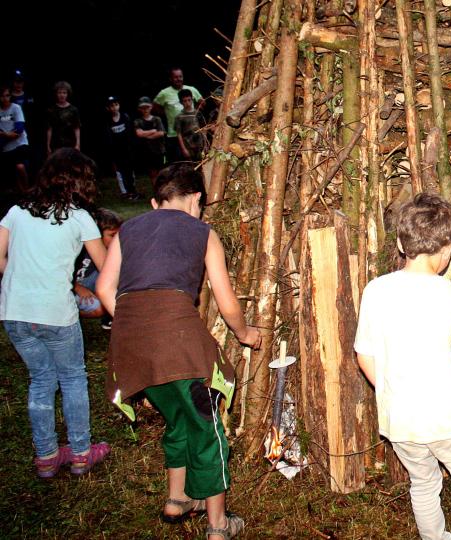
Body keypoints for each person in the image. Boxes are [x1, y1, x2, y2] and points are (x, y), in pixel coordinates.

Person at [97, 163, 261, 539]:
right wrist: (245, 332)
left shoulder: (128, 229)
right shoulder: (202, 231)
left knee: (177, 420)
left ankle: (177, 499)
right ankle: (218, 525)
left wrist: (137, 323)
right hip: (179, 343)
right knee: (207, 428)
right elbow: (226, 302)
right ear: (197, 199)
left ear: (159, 201)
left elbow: (107, 288)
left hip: (132, 346)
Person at [354, 193, 451, 540]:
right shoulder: (449, 294)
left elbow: (364, 354)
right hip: (446, 419)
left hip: (401, 421)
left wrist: (390, 388)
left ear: (399, 241)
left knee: (422, 484)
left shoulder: (376, 290)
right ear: (447, 248)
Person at [0, 148, 111, 478]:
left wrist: (20, 276)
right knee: (73, 378)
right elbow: (105, 268)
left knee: (41, 379)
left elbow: (0, 259)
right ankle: (80, 452)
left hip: (15, 311)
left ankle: (46, 456)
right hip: (55, 312)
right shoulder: (80, 218)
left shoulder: (17, 211)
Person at [73, 208, 122, 329]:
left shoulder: (112, 248)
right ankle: (69, 312)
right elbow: (57, 274)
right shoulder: (78, 247)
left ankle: (111, 315)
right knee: (99, 308)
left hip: (89, 280)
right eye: (112, 235)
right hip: (68, 286)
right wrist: (77, 287)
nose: (117, 239)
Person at [154, 68, 203, 162]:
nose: (178, 79)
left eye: (180, 76)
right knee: (179, 162)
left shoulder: (191, 89)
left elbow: (202, 102)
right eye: (175, 77)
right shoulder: (164, 93)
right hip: (173, 135)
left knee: (197, 161)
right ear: (170, 79)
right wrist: (167, 114)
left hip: (192, 135)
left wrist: (194, 112)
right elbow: (155, 106)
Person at [103, 97, 139, 200]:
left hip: (127, 149)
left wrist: (131, 147)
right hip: (115, 151)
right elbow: (107, 137)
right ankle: (124, 192)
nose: (114, 108)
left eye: (116, 105)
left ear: (119, 105)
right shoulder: (107, 121)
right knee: (120, 172)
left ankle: (133, 190)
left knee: (130, 170)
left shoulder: (125, 117)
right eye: (111, 106)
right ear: (108, 108)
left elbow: (131, 133)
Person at [0, 84, 30, 193]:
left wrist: (5, 135)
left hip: (19, 142)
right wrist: (8, 136)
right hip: (5, 146)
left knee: (20, 166)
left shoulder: (16, 108)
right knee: (12, 171)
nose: (5, 98)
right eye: (2, 96)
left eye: (7, 95)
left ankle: (27, 190)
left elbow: (19, 129)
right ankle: (21, 193)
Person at [133, 96, 166, 188]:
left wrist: (146, 135)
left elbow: (161, 133)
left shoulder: (157, 119)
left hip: (159, 150)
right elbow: (139, 134)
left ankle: (163, 190)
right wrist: (153, 131)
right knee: (152, 173)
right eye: (143, 108)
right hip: (146, 151)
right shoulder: (138, 121)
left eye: (147, 107)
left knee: (162, 173)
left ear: (151, 107)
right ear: (139, 109)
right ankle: (156, 191)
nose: (145, 109)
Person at [46, 81, 82, 155]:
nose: (62, 95)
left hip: (70, 143)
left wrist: (78, 144)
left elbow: (76, 127)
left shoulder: (73, 109)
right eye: (59, 92)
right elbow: (49, 128)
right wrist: (48, 146)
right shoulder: (51, 110)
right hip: (56, 144)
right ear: (56, 94)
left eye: (64, 93)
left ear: (67, 94)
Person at [174, 90, 207, 162]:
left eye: (189, 100)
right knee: (190, 166)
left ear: (192, 100)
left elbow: (204, 129)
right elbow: (179, 134)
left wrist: (205, 145)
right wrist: (184, 149)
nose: (187, 103)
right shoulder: (179, 117)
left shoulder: (198, 113)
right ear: (181, 102)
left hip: (200, 145)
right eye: (185, 101)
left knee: (202, 165)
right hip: (188, 145)